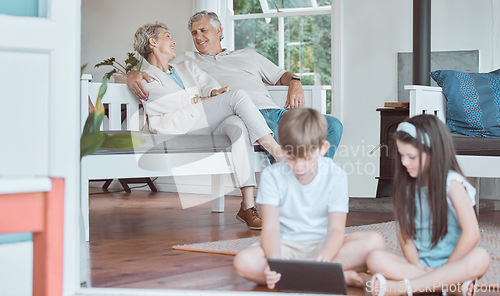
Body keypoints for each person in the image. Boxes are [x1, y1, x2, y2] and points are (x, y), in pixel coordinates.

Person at [127, 10, 343, 160]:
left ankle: (311, 183)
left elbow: (282, 76)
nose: (198, 37)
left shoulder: (247, 55)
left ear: (219, 30)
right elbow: (157, 66)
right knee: (286, 141)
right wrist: (133, 73)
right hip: (242, 115)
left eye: (203, 30)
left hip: (276, 113)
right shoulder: (185, 62)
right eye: (194, 33)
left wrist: (295, 81)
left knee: (332, 125)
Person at [133, 22, 284, 230]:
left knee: (238, 126)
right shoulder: (145, 77)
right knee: (238, 96)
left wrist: (213, 93)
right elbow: (171, 103)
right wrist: (203, 99)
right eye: (168, 36)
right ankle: (277, 152)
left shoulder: (185, 67)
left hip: (201, 120)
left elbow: (208, 82)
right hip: (177, 127)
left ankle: (248, 206)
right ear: (153, 42)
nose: (174, 40)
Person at [232, 108, 385, 289]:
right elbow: (271, 228)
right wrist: (275, 263)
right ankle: (334, 276)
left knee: (374, 242)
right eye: (291, 156)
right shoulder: (272, 176)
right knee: (244, 262)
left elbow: (336, 229)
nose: (299, 166)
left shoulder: (336, 176)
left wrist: (324, 258)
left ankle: (301, 275)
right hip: (284, 247)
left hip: (325, 246)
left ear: (323, 149)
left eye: (307, 158)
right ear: (280, 146)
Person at [365, 115, 490, 296]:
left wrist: (446, 269)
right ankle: (449, 286)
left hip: (453, 264)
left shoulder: (452, 184)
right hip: (421, 266)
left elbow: (472, 234)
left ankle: (404, 288)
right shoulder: (408, 186)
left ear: (433, 152)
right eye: (401, 155)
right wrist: (416, 264)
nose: (404, 162)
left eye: (411, 156)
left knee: (481, 257)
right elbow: (405, 233)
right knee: (376, 259)